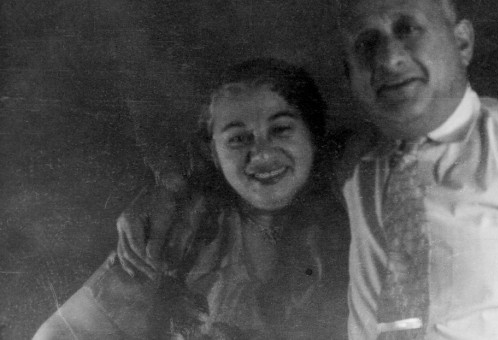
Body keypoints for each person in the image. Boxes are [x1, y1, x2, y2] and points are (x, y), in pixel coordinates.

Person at [113, 0, 498, 339]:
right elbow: (261, 162)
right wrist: (165, 193)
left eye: (408, 29)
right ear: (350, 73)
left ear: (462, 42)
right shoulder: (355, 167)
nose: (388, 59)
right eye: (367, 44)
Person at [33, 59, 350, 340]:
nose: (262, 154)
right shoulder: (182, 226)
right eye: (238, 138)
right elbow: (62, 333)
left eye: (280, 130)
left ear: (312, 134)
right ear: (214, 152)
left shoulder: (353, 217)